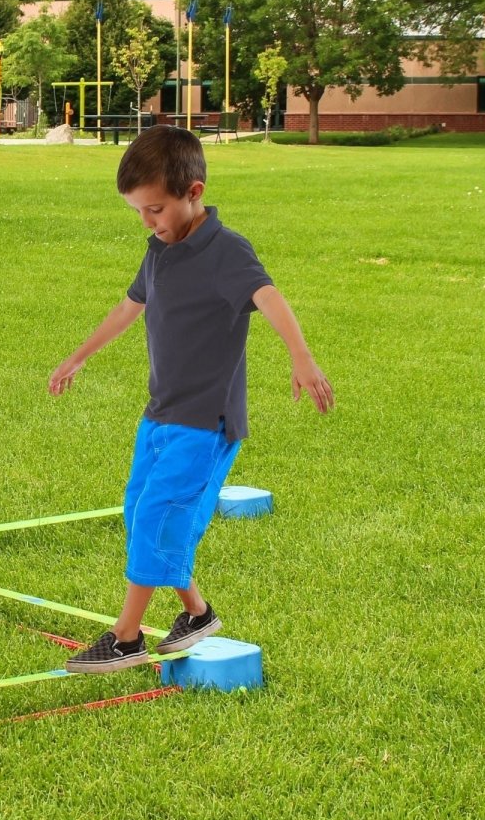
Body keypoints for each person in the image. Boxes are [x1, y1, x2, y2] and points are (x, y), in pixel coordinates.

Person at [48, 125, 333, 672]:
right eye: (138, 211)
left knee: (159, 514)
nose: (147, 222)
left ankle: (126, 636)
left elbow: (268, 296)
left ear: (194, 192)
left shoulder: (226, 251)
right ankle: (197, 614)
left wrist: (301, 356)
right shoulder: (159, 251)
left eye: (155, 209)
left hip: (205, 421)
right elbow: (129, 307)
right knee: (140, 512)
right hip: (161, 412)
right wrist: (79, 356)